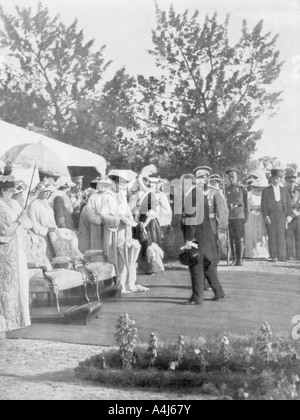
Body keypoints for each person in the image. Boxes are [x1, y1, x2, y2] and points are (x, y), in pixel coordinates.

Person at [181, 166, 227, 305]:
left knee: (195, 265)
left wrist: (189, 240)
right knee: (207, 266)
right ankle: (219, 292)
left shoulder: (193, 195)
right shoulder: (199, 194)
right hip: (206, 234)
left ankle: (197, 298)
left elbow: (192, 221)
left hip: (198, 236)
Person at [100, 170, 145, 294]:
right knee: (114, 257)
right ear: (113, 183)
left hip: (125, 231)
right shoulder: (106, 196)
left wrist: (130, 219)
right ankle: (114, 286)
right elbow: (103, 217)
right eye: (120, 184)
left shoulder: (122, 196)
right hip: (113, 232)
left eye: (124, 184)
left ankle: (125, 283)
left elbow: (128, 212)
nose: (122, 187)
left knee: (126, 256)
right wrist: (118, 219)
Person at [0, 171, 31, 332]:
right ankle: (7, 321)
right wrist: (20, 219)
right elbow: (5, 231)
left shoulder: (10, 204)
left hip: (17, 250)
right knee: (8, 287)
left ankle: (18, 319)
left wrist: (23, 217)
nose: (12, 194)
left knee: (18, 283)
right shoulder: (0, 207)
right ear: (2, 191)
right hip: (6, 253)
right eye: (10, 191)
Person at [134, 174, 164, 275]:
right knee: (145, 244)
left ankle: (152, 268)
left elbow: (151, 214)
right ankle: (146, 268)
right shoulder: (146, 194)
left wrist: (144, 225)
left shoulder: (151, 195)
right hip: (143, 220)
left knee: (149, 244)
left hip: (148, 222)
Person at [261, 169, 292, 262]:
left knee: (281, 235)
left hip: (282, 215)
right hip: (271, 216)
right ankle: (273, 256)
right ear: (271, 179)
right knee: (272, 235)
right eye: (274, 178)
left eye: (278, 178)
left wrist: (289, 215)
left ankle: (281, 256)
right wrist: (266, 216)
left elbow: (288, 204)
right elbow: (263, 205)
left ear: (280, 179)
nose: (276, 180)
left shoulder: (284, 191)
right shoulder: (266, 191)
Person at [225, 168, 249, 266]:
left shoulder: (243, 189)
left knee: (240, 238)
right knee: (231, 238)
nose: (231, 179)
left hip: (239, 215)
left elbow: (246, 204)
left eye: (233, 177)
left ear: (237, 177)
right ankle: (234, 259)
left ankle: (240, 259)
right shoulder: (225, 189)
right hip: (229, 216)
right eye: (229, 177)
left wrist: (246, 216)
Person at [27, 183, 58, 259]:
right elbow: (33, 222)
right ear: (39, 192)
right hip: (42, 235)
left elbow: (51, 218)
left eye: (47, 191)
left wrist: (54, 228)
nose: (46, 193)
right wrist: (46, 230)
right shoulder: (33, 205)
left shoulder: (46, 203)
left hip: (51, 233)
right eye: (44, 191)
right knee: (46, 255)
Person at [245, 172, 269, 259]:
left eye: (261, 188)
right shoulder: (249, 194)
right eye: (257, 187)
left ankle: (262, 253)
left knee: (261, 234)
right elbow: (246, 205)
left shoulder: (265, 195)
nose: (259, 189)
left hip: (262, 215)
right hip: (251, 215)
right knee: (251, 233)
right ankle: (251, 253)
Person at [285, 169, 300, 261]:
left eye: (293, 181)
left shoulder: (299, 191)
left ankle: (299, 255)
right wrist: (290, 214)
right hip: (288, 218)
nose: (291, 183)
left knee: (299, 237)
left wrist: (296, 212)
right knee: (289, 237)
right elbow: (283, 204)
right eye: (289, 181)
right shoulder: (283, 191)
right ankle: (289, 255)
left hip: (298, 217)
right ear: (286, 181)